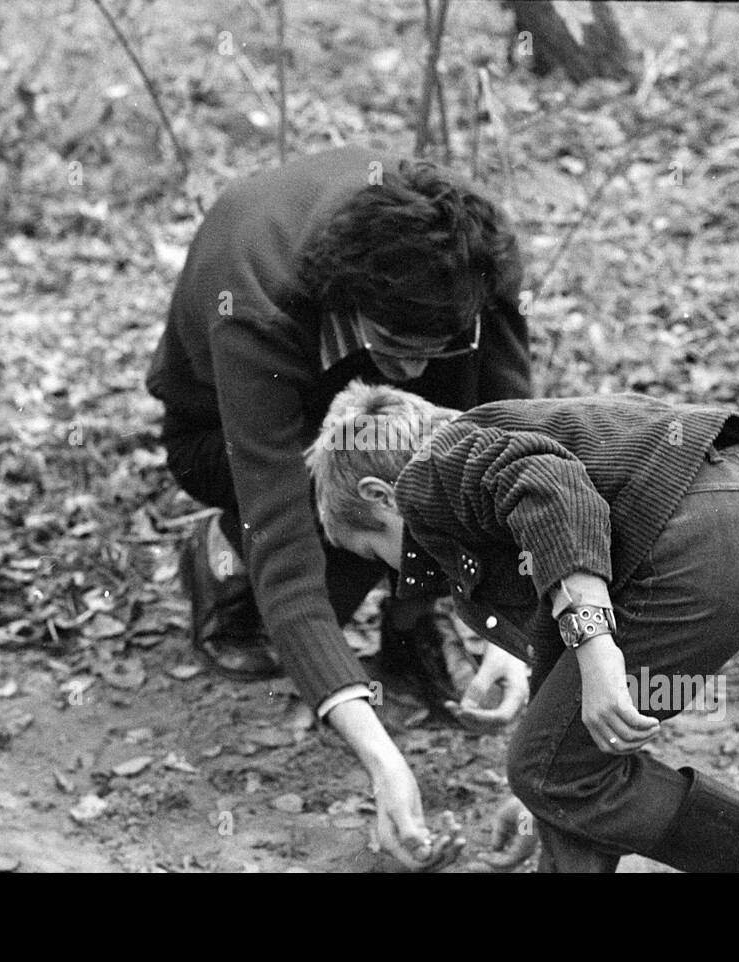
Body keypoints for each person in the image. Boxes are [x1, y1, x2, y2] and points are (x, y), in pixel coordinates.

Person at [145, 146, 532, 868]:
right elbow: (287, 548)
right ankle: (219, 561)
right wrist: (384, 763)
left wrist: (510, 635)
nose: (418, 372)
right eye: (398, 347)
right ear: (349, 305)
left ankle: (410, 630)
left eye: (436, 348)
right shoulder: (255, 305)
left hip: (354, 377)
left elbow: (512, 453)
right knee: (334, 550)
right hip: (217, 435)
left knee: (444, 463)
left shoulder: (473, 267)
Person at [305, 380, 739, 872]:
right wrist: (541, 800)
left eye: (374, 548)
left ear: (381, 496)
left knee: (551, 770)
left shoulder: (435, 464)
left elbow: (550, 487)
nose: (392, 570)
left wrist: (596, 648)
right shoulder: (480, 466)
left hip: (704, 537)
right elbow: (561, 724)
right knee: (561, 769)